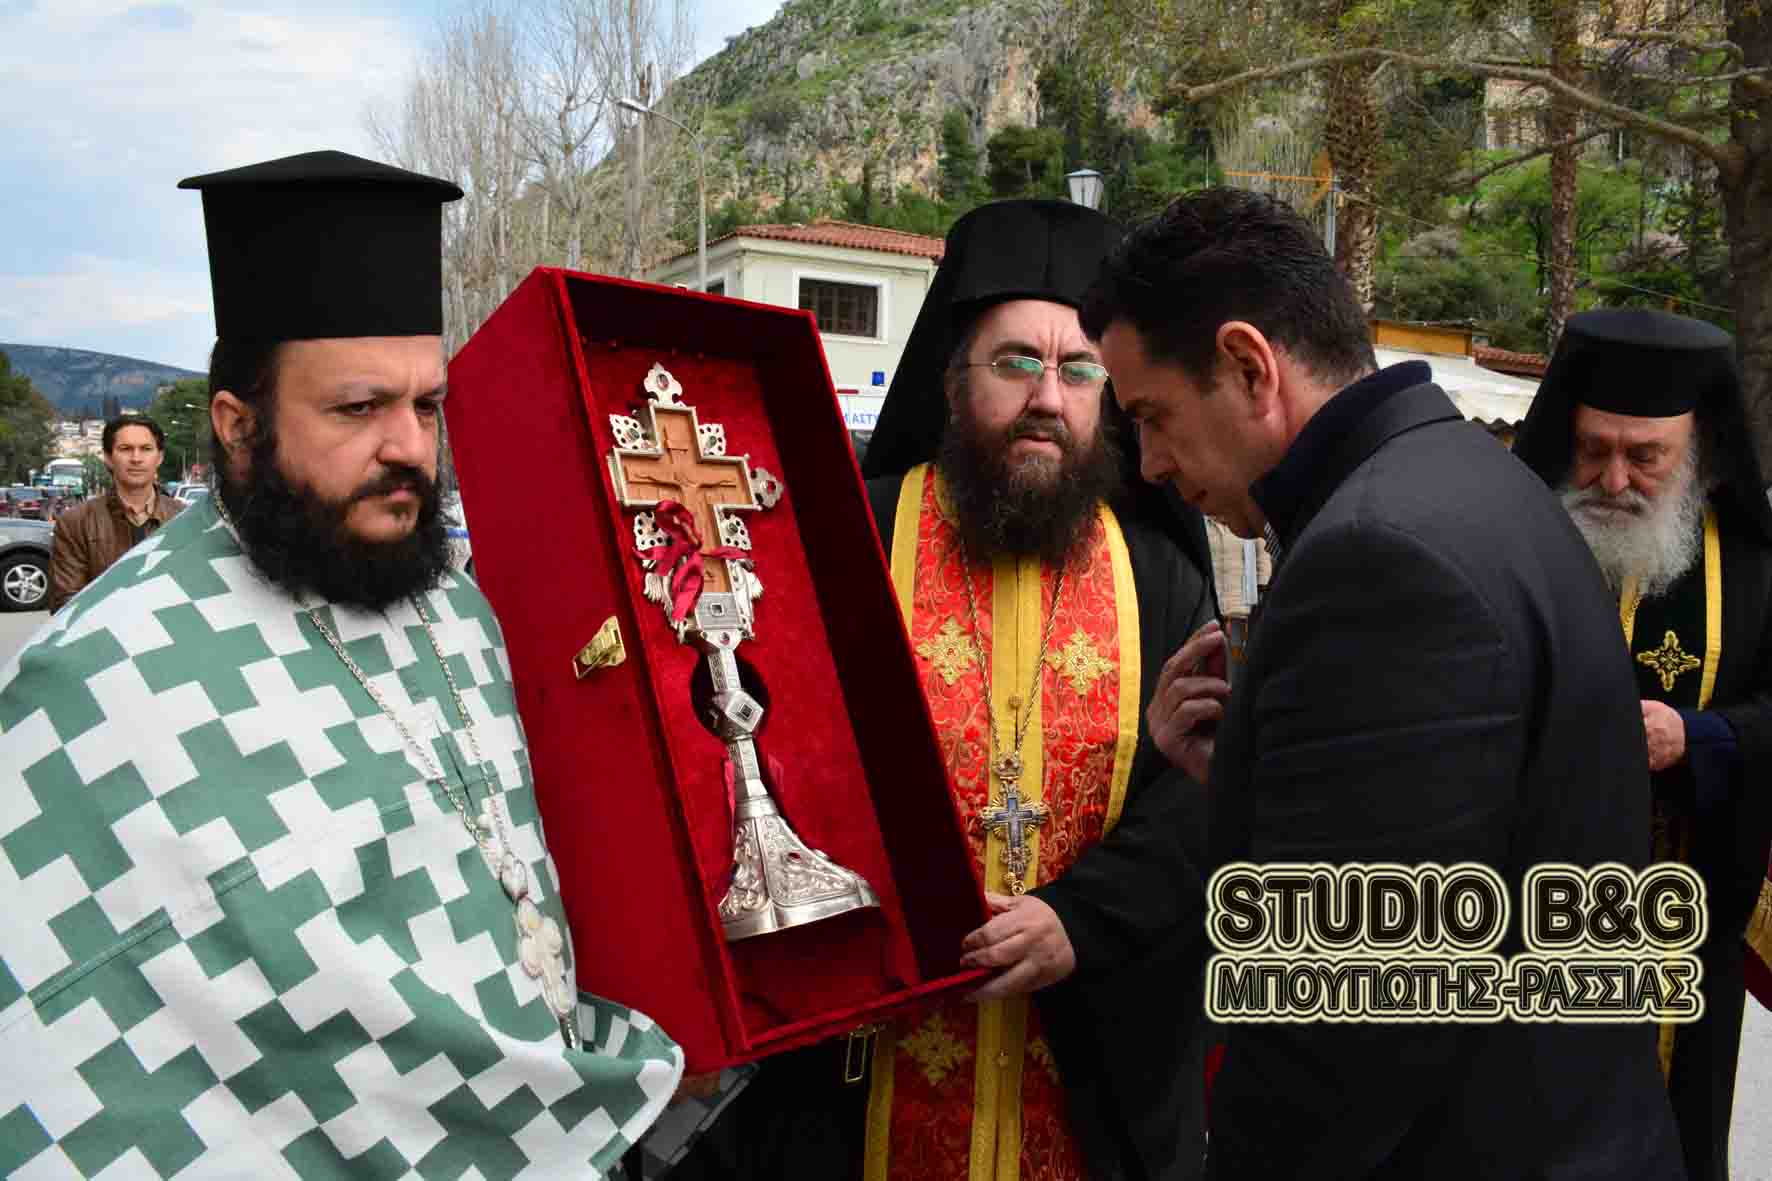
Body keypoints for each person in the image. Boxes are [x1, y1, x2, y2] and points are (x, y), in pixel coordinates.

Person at [0, 150, 681, 1178]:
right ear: (239, 429)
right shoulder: (101, 671)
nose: (409, 447)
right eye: (359, 409)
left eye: (427, 405)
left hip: (550, 1124)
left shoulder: (456, 606)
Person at [1083, 187, 1683, 1177]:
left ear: (1248, 366)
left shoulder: (1375, 554)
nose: (1146, 463)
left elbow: (1346, 1017)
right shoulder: (1467, 480)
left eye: (1152, 415)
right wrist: (1249, 771)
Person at [660, 199, 1219, 1181]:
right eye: (1015, 362)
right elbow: (750, 750)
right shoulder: (852, 536)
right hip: (863, 1067)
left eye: (1079, 369)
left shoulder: (1160, 574)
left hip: (1089, 1061)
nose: (1047, 397)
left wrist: (1078, 918)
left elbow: (1197, 797)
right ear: (954, 380)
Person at [1509, 308, 1772, 1181]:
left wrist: (1697, 737)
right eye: (1593, 449)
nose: (1613, 479)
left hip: (1681, 948)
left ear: (1698, 450)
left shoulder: (1755, 565)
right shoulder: (1513, 539)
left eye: (1646, 457)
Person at [47, 412, 185, 612]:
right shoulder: (75, 522)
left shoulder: (185, 518)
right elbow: (66, 604)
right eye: (125, 449)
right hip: (100, 630)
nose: (136, 458)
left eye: (146, 449)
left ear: (159, 457)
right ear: (108, 458)